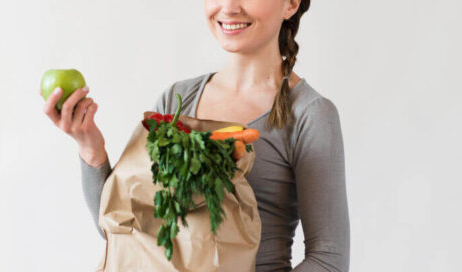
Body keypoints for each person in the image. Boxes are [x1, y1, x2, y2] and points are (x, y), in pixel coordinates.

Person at [41, 0, 350, 271]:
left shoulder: (310, 114)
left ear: (291, 4)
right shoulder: (177, 101)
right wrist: (90, 147)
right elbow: (126, 227)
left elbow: (328, 260)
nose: (229, 6)